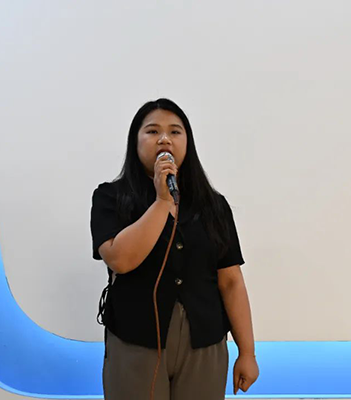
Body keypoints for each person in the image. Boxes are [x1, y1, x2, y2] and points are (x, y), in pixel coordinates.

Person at [90, 98, 259, 400]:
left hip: (204, 342)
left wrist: (247, 352)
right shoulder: (110, 197)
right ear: (135, 141)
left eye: (175, 131)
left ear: (187, 142)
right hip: (134, 341)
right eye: (152, 131)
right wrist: (162, 202)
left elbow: (231, 281)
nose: (164, 139)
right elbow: (120, 260)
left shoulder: (213, 205)